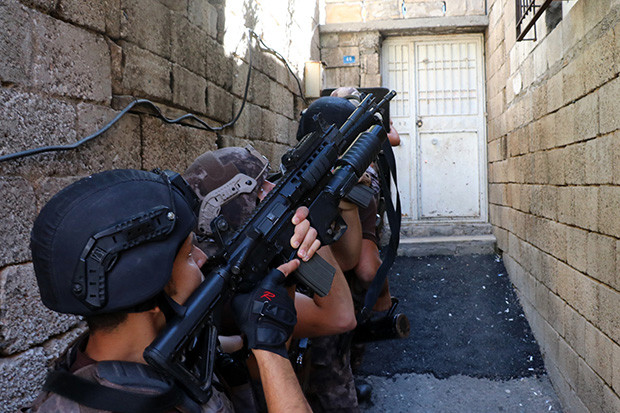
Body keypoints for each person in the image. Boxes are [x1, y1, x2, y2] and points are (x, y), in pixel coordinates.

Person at [25, 168, 317, 413]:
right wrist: (270, 350)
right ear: (150, 289)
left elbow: (241, 354)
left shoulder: (152, 352)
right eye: (189, 255)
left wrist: (281, 271)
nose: (203, 258)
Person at [183, 146, 360, 411]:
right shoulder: (234, 287)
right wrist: (311, 229)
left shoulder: (210, 273)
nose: (271, 187)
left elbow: (348, 262)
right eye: (258, 190)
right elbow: (341, 317)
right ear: (231, 216)